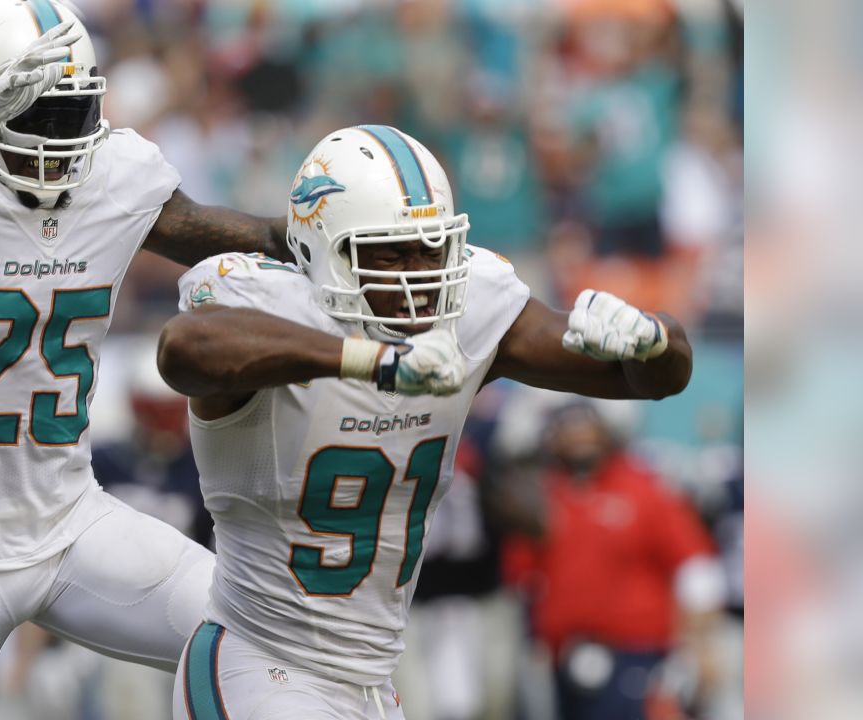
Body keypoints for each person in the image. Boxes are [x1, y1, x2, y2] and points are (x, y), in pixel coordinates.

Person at [0, 2, 288, 717]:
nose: (62, 135)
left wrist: (339, 243)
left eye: (73, 110)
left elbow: (222, 234)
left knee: (264, 642)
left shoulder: (115, 174)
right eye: (37, 111)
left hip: (71, 523)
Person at [156, 124, 692, 720]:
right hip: (260, 663)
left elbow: (655, 380)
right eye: (390, 251)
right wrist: (371, 361)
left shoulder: (468, 312)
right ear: (319, 250)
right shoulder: (265, 306)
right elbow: (184, 350)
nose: (417, 277)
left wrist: (654, 339)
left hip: (374, 683)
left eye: (431, 247)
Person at [502, 401, 724, 720]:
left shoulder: (642, 488)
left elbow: (696, 568)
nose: (578, 436)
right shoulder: (543, 493)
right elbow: (522, 579)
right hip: (561, 657)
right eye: (568, 427)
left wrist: (701, 645)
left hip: (634, 654)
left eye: (585, 424)